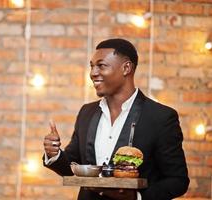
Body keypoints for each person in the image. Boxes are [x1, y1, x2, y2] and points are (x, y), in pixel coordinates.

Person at [43, 38, 189, 200]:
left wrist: (137, 198)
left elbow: (178, 181)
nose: (93, 73)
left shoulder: (161, 117)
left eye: (101, 65)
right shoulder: (87, 112)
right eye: (91, 66)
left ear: (126, 68)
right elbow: (72, 166)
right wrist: (53, 154)